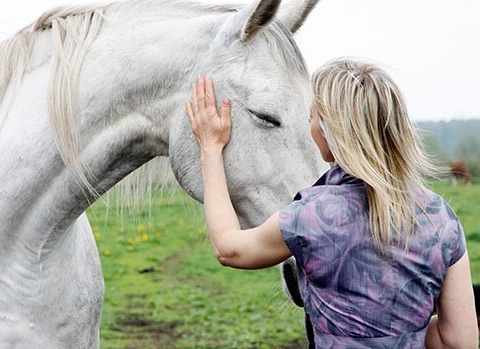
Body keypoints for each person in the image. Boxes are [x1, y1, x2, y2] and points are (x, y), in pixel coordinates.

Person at [184, 59, 478, 348]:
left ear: (328, 130)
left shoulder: (311, 215)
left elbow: (229, 248)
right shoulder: (441, 219)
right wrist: (400, 329)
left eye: (311, 116)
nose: (309, 124)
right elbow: (459, 341)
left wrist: (210, 149)